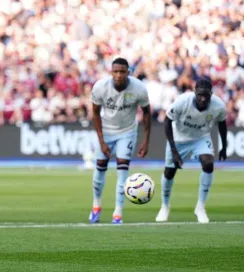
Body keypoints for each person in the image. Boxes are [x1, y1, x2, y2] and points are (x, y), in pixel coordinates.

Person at [156, 78, 227, 223]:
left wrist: (224, 146)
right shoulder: (182, 101)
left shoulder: (218, 106)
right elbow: (167, 121)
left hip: (200, 137)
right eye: (200, 94)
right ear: (194, 92)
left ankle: (200, 207)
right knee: (169, 172)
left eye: (206, 95)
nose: (202, 98)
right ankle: (165, 206)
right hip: (178, 138)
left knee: (208, 164)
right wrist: (174, 151)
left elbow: (222, 123)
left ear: (211, 94)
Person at [90, 57, 152, 224]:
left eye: (122, 72)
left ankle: (117, 213)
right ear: (111, 72)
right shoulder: (100, 87)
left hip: (127, 132)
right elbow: (95, 113)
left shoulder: (138, 88)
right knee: (100, 169)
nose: (118, 75)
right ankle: (96, 206)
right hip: (106, 131)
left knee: (122, 170)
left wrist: (146, 140)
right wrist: (102, 141)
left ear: (128, 72)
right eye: (115, 71)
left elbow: (147, 113)